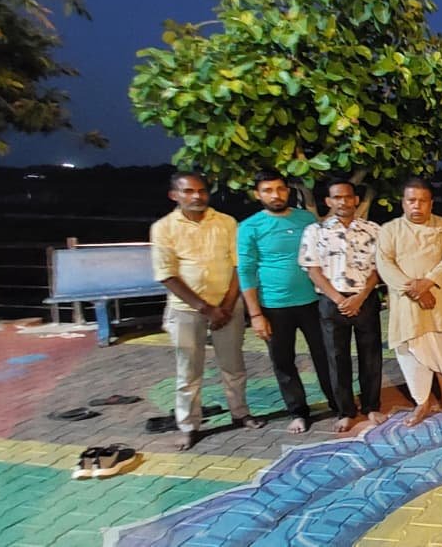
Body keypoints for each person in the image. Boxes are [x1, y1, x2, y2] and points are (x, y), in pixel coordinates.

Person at [151, 171, 266, 451]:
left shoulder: (226, 222)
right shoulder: (163, 227)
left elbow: (240, 265)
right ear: (174, 195)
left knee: (234, 365)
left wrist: (226, 306)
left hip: (228, 308)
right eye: (188, 191)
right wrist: (205, 308)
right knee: (188, 371)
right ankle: (189, 426)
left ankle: (240, 413)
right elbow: (167, 275)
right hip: (186, 311)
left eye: (201, 191)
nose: (197, 197)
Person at [238, 170, 342, 434]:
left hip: (312, 301)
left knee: (325, 355)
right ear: (258, 194)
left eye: (280, 189)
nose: (275, 195)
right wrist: (255, 314)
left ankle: (338, 403)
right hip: (273, 306)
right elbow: (246, 271)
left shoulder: (305, 219)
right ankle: (298, 412)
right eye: (268, 190)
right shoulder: (250, 227)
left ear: (288, 191)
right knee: (283, 361)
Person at [376, 178, 442, 425]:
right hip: (408, 308)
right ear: (403, 203)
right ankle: (423, 403)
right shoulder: (389, 229)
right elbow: (385, 265)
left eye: (422, 201)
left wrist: (427, 282)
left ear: (431, 203)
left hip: (440, 305)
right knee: (412, 357)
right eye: (411, 200)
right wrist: (415, 290)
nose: (417, 206)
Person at [299, 178, 384, 432]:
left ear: (356, 199)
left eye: (348, 197)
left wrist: (360, 297)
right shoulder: (316, 231)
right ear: (328, 201)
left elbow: (379, 267)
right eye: (337, 197)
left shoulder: (373, 230)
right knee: (337, 358)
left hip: (365, 299)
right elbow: (312, 270)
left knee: (370, 356)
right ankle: (345, 411)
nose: (343, 202)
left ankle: (371, 406)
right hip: (331, 301)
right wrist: (339, 299)